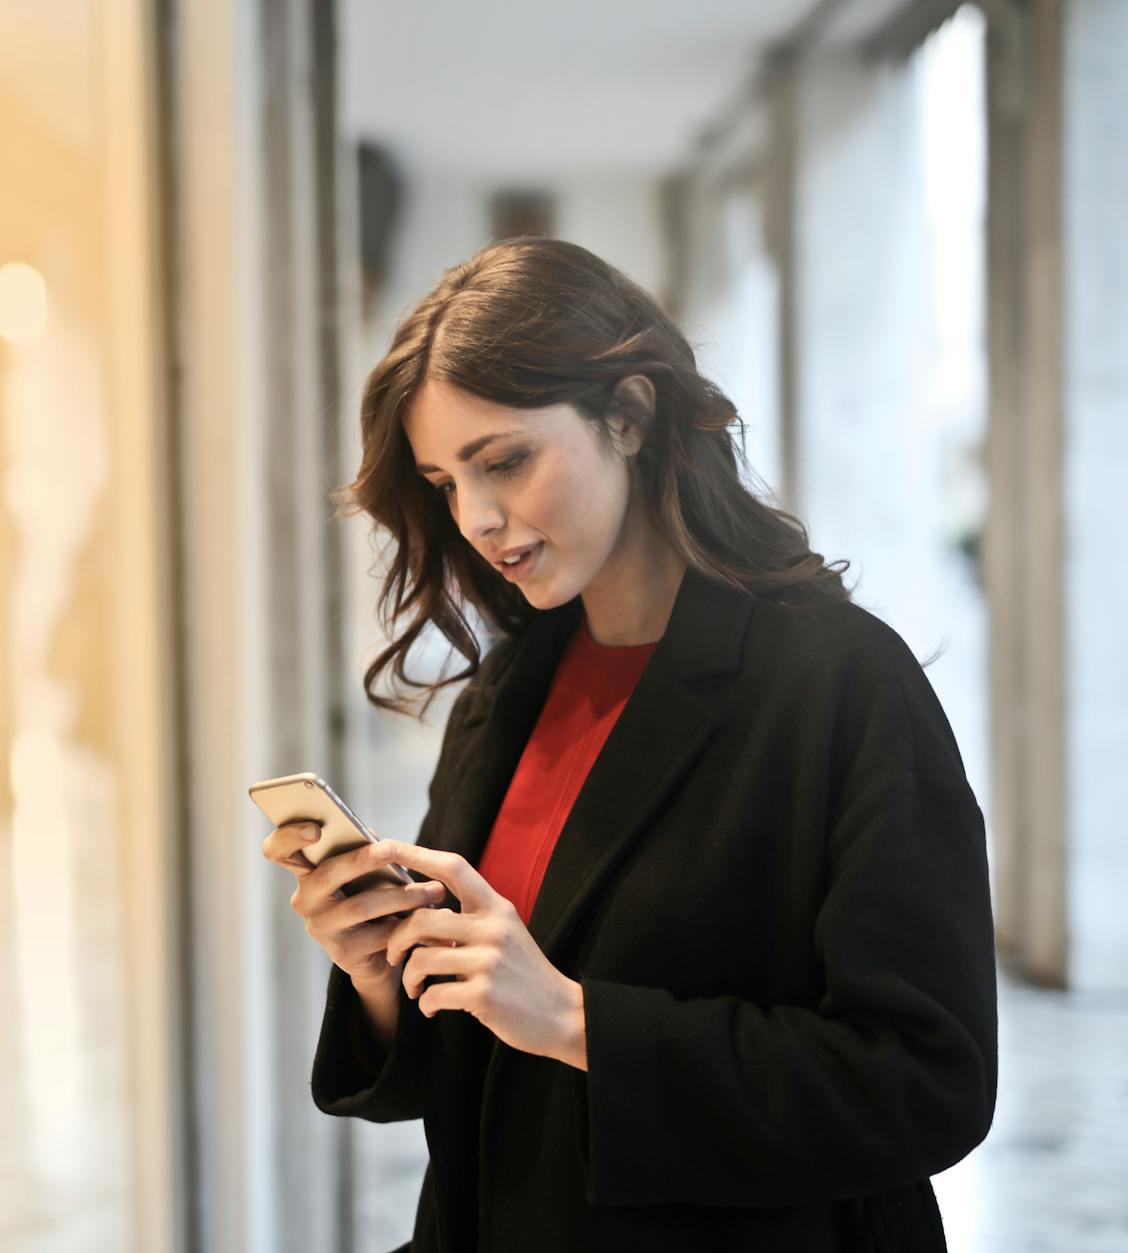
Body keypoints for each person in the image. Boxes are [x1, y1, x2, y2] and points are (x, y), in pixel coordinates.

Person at [261, 237, 997, 1251]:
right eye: (441, 482)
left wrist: (575, 1019)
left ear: (630, 414)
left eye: (503, 460)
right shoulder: (507, 691)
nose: (475, 518)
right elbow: (468, 1064)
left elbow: (927, 1081)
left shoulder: (836, 681)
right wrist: (383, 974)